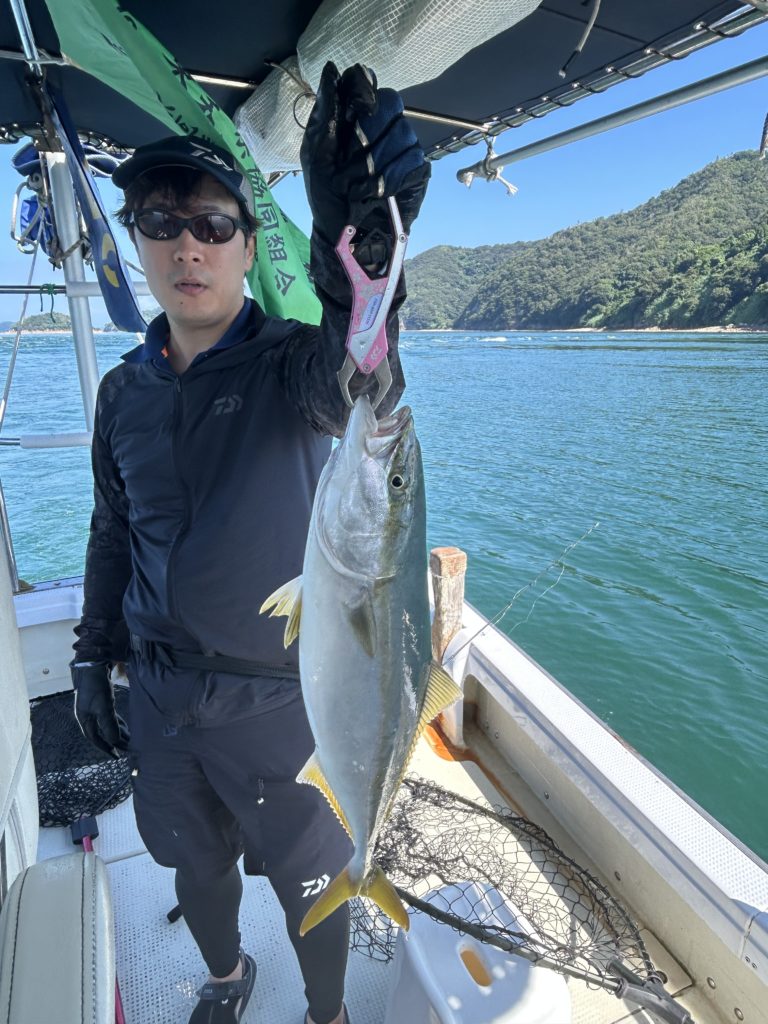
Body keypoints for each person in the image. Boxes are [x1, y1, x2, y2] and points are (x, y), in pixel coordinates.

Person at [70, 62, 429, 1024]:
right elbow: (113, 528)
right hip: (160, 695)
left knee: (311, 878)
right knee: (193, 864)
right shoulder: (124, 392)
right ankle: (227, 979)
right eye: (160, 221)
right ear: (138, 240)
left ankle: (328, 1013)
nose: (187, 244)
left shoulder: (291, 368)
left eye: (213, 224)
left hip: (280, 696)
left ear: (246, 243)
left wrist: (364, 246)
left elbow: (361, 364)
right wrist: (93, 655)